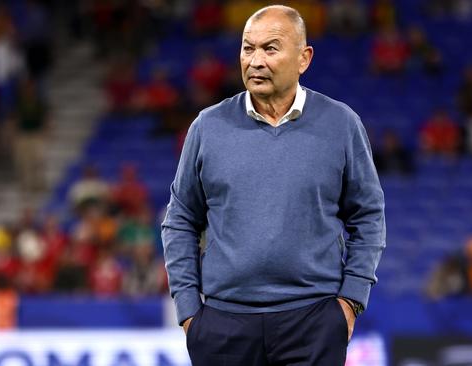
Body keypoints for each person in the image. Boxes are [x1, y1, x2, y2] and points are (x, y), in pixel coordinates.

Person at [162, 5, 386, 365]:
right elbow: (180, 220)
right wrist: (189, 311)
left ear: (304, 58)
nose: (255, 60)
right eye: (248, 48)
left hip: (313, 322)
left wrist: (350, 301)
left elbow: (369, 217)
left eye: (270, 48)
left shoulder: (341, 124)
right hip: (223, 324)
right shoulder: (207, 127)